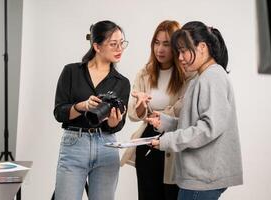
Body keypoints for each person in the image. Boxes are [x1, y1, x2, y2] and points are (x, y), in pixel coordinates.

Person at [146, 21, 243, 200]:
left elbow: (208, 128)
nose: (180, 57)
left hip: (203, 177)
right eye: (178, 52)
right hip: (200, 176)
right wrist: (166, 122)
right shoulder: (201, 78)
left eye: (184, 51)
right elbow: (196, 122)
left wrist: (167, 141)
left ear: (202, 47)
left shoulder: (212, 77)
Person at [53, 20, 131, 200]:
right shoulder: (71, 72)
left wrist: (113, 123)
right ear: (96, 46)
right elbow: (59, 112)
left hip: (106, 146)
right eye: (113, 44)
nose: (119, 48)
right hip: (74, 145)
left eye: (122, 43)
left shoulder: (122, 82)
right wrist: (82, 106)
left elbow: (117, 125)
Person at [120, 20, 184, 200]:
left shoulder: (187, 76)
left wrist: (163, 115)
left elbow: (183, 109)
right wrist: (141, 104)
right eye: (156, 43)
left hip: (173, 141)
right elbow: (133, 114)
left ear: (177, 46)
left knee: (172, 194)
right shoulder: (145, 73)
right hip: (148, 142)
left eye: (166, 44)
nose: (160, 49)